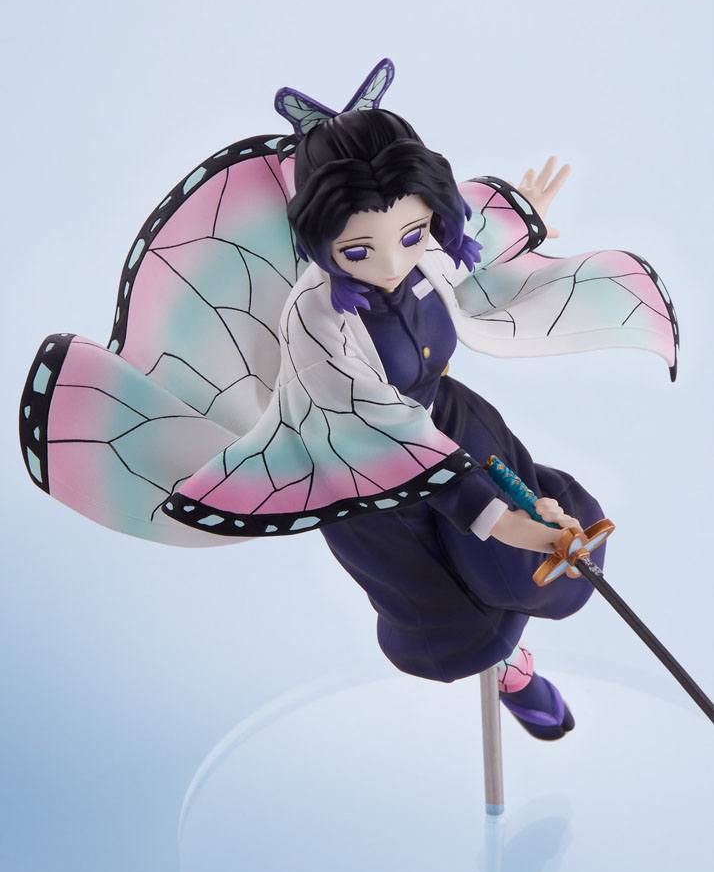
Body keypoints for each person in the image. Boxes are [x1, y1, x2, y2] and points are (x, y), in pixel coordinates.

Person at [19, 58, 678, 741]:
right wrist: (503, 519)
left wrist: (522, 212)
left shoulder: (425, 251)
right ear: (320, 237)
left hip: (451, 419)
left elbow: (468, 240)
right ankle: (508, 667)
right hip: (363, 474)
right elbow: (372, 432)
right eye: (359, 249)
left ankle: (513, 630)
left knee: (533, 567)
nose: (391, 264)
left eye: (411, 235)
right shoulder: (317, 323)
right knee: (450, 613)